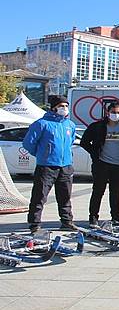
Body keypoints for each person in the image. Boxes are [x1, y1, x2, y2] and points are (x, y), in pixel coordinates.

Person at [22, 95, 76, 233]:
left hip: (65, 166)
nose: (64, 108)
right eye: (61, 106)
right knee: (39, 196)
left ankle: (66, 221)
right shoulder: (41, 124)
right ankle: (35, 224)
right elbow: (28, 144)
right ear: (53, 108)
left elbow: (70, 142)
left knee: (65, 196)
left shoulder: (69, 125)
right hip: (46, 166)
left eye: (66, 106)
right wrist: (42, 155)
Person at [80, 101, 119, 227]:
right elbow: (84, 142)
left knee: (116, 192)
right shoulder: (97, 126)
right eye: (113, 112)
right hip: (102, 164)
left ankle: (116, 216)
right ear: (107, 112)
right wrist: (95, 154)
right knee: (98, 191)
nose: (116, 115)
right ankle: (93, 217)